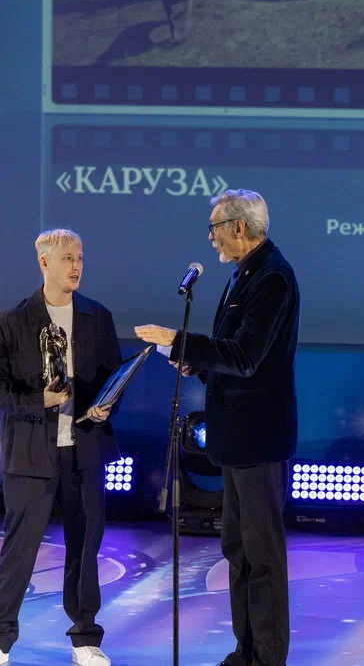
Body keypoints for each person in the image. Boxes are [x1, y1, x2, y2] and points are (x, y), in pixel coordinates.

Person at [135, 190, 300, 666]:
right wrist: (196, 364)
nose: (210, 238)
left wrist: (180, 341)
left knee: (262, 555)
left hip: (258, 438)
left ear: (238, 228)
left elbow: (246, 357)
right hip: (235, 438)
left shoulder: (273, 277)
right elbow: (231, 356)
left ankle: (268, 658)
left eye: (214, 228)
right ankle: (245, 651)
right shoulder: (244, 273)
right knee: (238, 550)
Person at [0, 229, 120, 666]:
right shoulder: (13, 320)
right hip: (32, 452)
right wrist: (39, 400)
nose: (76, 266)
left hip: (84, 450)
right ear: (44, 262)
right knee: (19, 548)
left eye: (80, 258)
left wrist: (107, 405)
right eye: (68, 258)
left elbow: (114, 376)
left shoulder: (97, 317)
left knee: (84, 547)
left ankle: (85, 639)